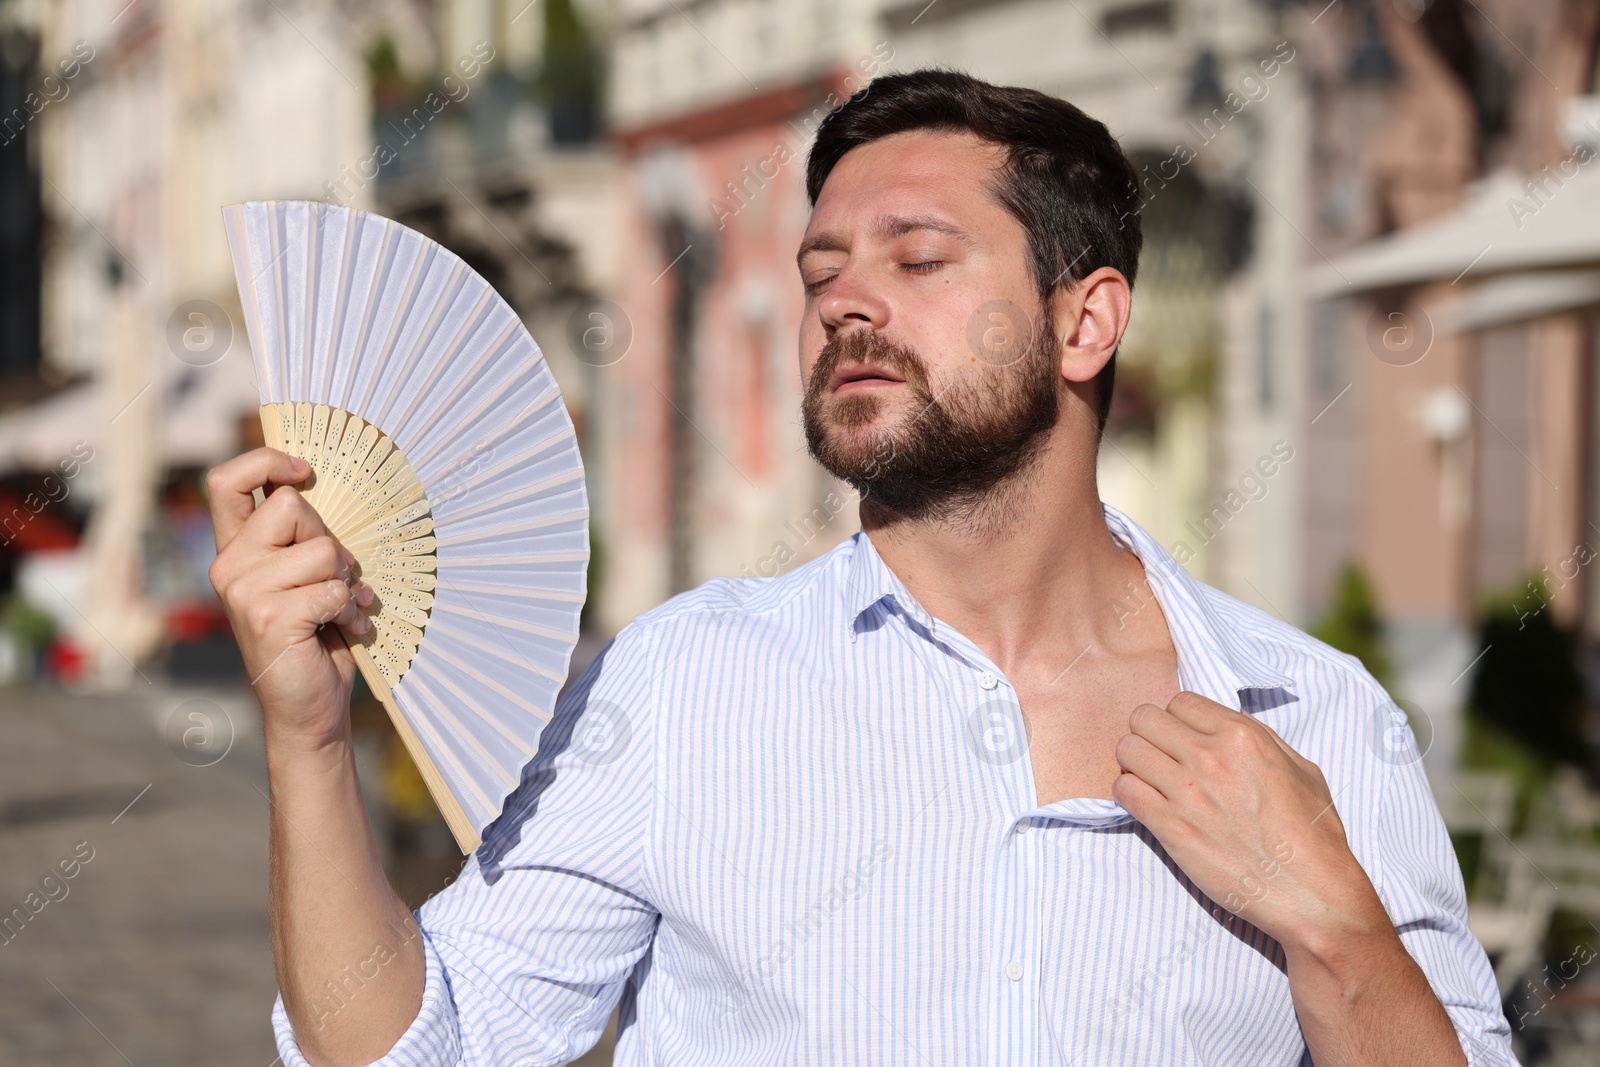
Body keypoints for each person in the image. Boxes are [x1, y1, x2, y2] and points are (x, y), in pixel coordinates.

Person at [206, 69, 1515, 1066]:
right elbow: (424, 1048)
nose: (845, 302)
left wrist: (1333, 919)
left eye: (919, 260)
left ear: (1088, 319)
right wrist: (307, 744)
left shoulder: (1316, 717)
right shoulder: (680, 687)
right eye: (822, 268)